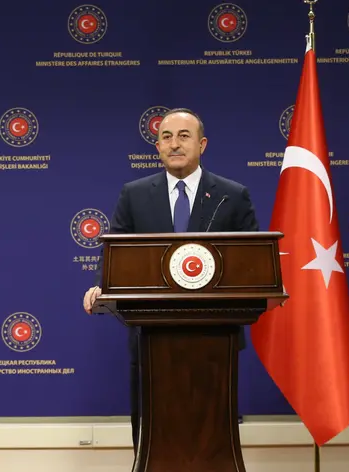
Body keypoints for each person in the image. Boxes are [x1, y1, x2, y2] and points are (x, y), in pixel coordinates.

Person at [81, 108, 259, 452]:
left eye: (184, 136)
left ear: (202, 144)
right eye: (166, 137)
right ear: (157, 146)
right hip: (151, 337)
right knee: (153, 439)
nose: (174, 144)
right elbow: (116, 251)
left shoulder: (231, 195)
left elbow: (249, 260)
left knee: (210, 437)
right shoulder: (134, 193)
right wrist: (102, 284)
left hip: (214, 339)